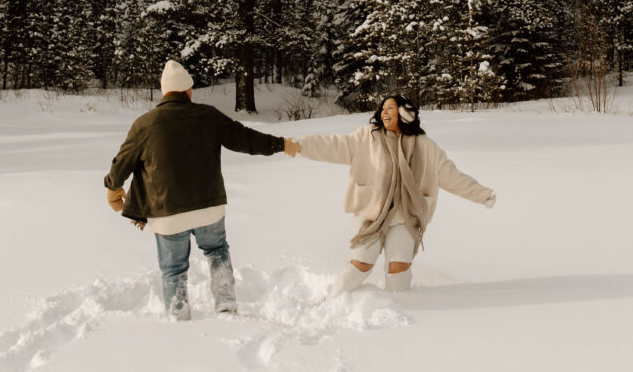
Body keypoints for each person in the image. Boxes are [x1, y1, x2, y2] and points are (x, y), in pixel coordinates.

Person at [104, 60, 298, 319]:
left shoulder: (144, 125)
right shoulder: (208, 116)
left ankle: (178, 316)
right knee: (217, 251)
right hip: (209, 208)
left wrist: (112, 187)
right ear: (187, 91)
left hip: (167, 212)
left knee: (173, 269)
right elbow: (245, 139)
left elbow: (122, 163)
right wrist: (281, 144)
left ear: (165, 92)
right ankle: (226, 305)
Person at [295, 94, 496, 294]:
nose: (384, 112)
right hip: (371, 216)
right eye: (383, 109)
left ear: (404, 113)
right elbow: (333, 146)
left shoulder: (425, 146)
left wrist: (482, 195)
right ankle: (333, 300)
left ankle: (399, 311)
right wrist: (294, 146)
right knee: (360, 265)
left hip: (406, 216)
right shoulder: (368, 137)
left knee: (398, 269)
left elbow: (452, 177)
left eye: (390, 108)